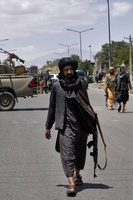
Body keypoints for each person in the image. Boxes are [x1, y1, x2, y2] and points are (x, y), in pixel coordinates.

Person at [44, 57, 90, 197]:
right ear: (62, 71)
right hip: (65, 127)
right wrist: (48, 127)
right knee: (67, 154)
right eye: (66, 70)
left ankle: (77, 174)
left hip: (81, 126)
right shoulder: (57, 87)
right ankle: (71, 183)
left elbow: (87, 104)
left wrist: (92, 122)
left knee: (79, 153)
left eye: (71, 69)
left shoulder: (81, 84)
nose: (69, 72)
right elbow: (52, 108)